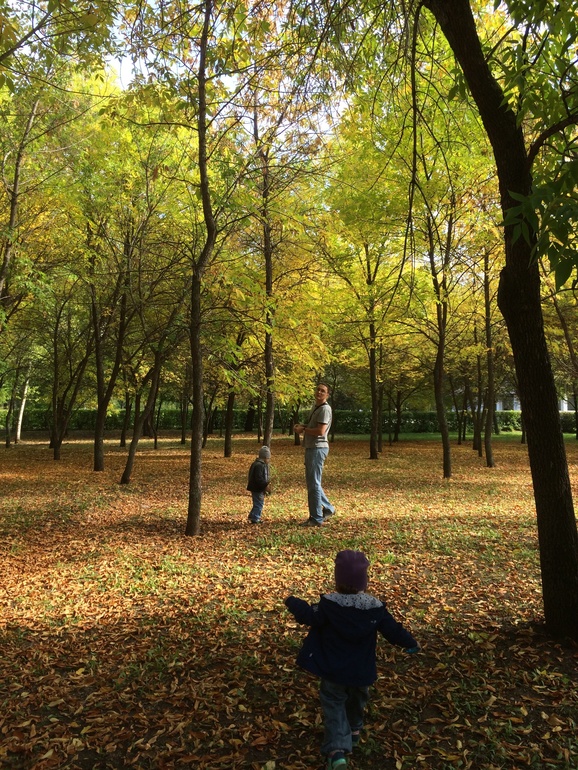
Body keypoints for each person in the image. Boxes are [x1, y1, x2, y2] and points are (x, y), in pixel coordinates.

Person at [284, 549, 419, 770]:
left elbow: (309, 616)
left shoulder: (329, 606)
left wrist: (293, 602)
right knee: (357, 699)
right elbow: (393, 630)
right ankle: (354, 730)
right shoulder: (374, 609)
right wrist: (410, 642)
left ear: (337, 580)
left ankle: (337, 750)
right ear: (364, 581)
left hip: (334, 669)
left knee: (334, 704)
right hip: (361, 670)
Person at [294, 383, 335, 527]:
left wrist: (304, 430)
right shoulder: (316, 407)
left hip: (318, 448)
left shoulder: (325, 409)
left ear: (327, 395)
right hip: (311, 447)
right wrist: (302, 426)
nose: (319, 392)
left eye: (323, 391)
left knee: (314, 484)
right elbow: (314, 427)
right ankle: (328, 508)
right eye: (318, 389)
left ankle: (316, 518)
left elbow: (320, 431)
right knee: (313, 483)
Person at [246, 445, 271, 524]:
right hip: (257, 488)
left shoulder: (256, 464)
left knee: (257, 502)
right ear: (265, 457)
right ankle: (255, 518)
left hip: (256, 487)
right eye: (268, 458)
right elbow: (259, 478)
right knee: (259, 503)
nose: (269, 460)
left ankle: (252, 515)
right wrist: (265, 485)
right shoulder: (259, 466)